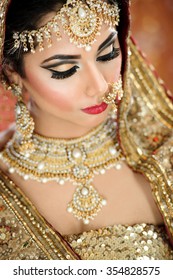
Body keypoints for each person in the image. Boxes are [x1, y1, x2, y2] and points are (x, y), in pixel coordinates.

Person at [0, 0, 173, 260]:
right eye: (65, 70)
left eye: (107, 55)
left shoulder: (162, 156)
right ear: (13, 71)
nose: (100, 86)